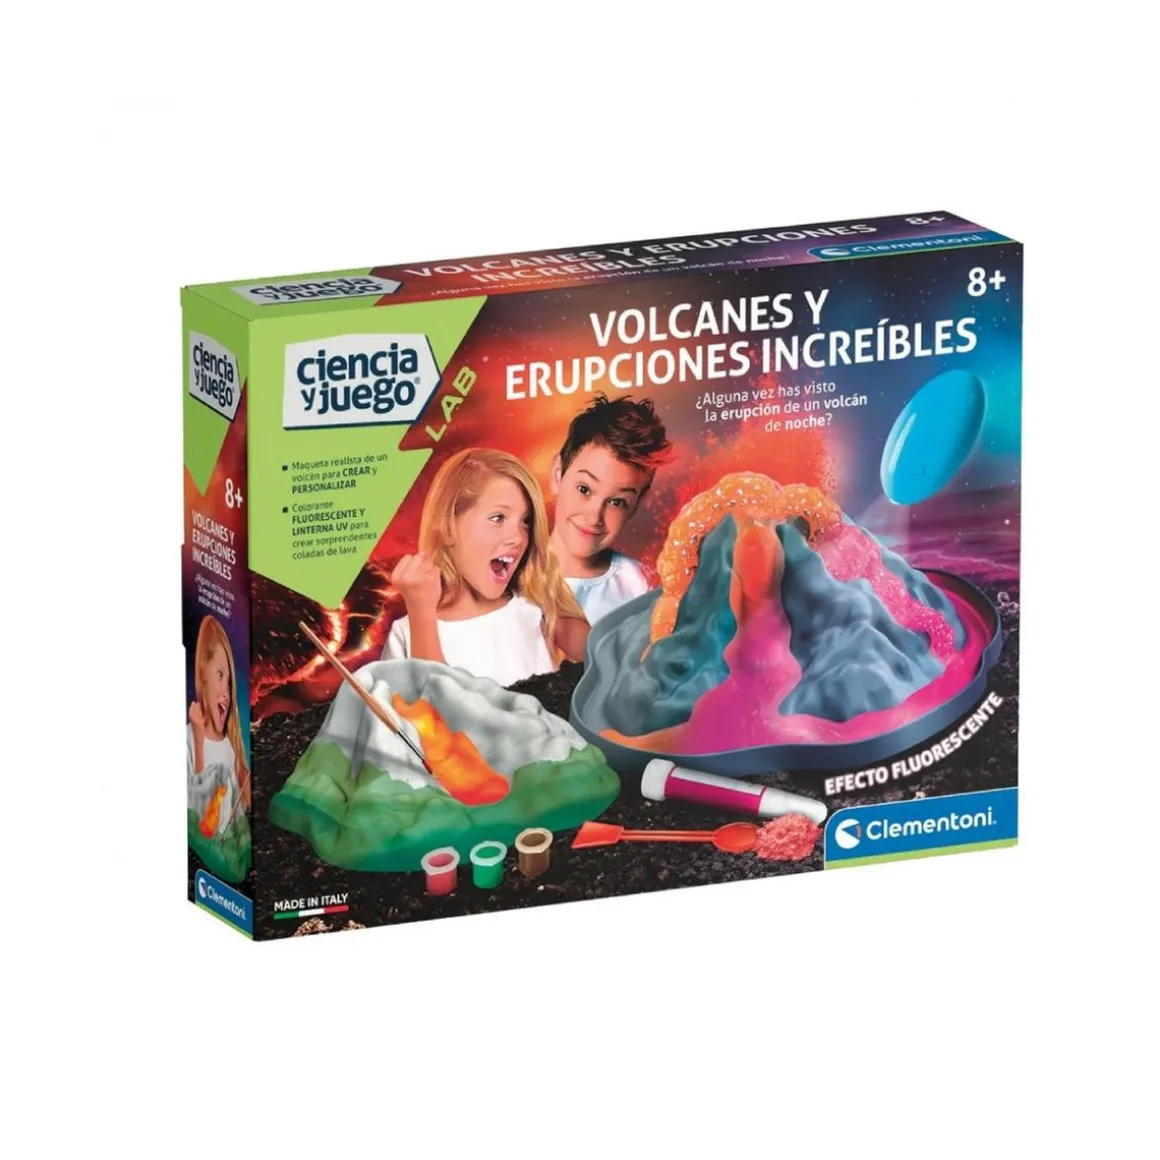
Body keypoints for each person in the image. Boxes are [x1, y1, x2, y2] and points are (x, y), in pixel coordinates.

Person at [384, 447, 589, 686]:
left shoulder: (539, 608)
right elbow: (436, 704)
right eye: (498, 518)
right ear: (447, 526)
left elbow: (612, 663)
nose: (518, 537)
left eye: (525, 521)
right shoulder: (406, 632)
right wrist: (421, 614)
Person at [549, 393, 673, 623]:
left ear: (636, 505)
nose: (594, 516)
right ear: (558, 474)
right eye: (584, 489)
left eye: (617, 502)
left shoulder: (643, 588)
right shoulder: (506, 575)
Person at [187, 614, 250, 832]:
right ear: (203, 670)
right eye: (220, 675)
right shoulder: (187, 740)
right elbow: (197, 816)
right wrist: (199, 742)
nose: (226, 691)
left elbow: (240, 815)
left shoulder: (231, 745)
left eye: (230, 682)